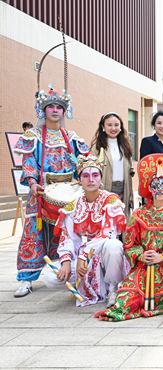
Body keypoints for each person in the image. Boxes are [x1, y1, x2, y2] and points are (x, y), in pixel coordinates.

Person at [95, 154, 163, 321]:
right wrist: (141, 255)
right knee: (126, 301)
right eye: (155, 185)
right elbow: (129, 244)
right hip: (146, 265)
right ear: (150, 188)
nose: (160, 189)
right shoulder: (138, 214)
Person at [13, 86, 89, 298]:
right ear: (43, 110)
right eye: (51, 106)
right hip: (40, 192)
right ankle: (27, 279)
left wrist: (84, 178)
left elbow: (82, 162)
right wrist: (32, 182)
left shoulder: (71, 137)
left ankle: (68, 275)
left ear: (64, 111)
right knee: (33, 235)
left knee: (66, 234)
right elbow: (28, 162)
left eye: (59, 107)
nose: (55, 110)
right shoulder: (33, 136)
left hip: (67, 196)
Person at [43, 153, 127, 307]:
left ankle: (114, 288)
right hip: (85, 262)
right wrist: (66, 262)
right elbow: (68, 237)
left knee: (114, 245)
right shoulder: (74, 205)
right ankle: (88, 285)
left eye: (95, 175)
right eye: (86, 176)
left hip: (106, 258)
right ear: (79, 180)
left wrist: (84, 254)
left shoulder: (111, 200)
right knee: (50, 277)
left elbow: (108, 233)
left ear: (101, 178)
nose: (91, 179)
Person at [90, 112, 135, 218]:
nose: (113, 128)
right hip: (105, 189)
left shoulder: (126, 146)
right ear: (103, 126)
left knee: (122, 220)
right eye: (109, 125)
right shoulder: (97, 148)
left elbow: (130, 171)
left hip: (124, 189)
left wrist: (131, 194)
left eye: (116, 125)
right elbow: (92, 171)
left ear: (121, 126)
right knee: (106, 220)